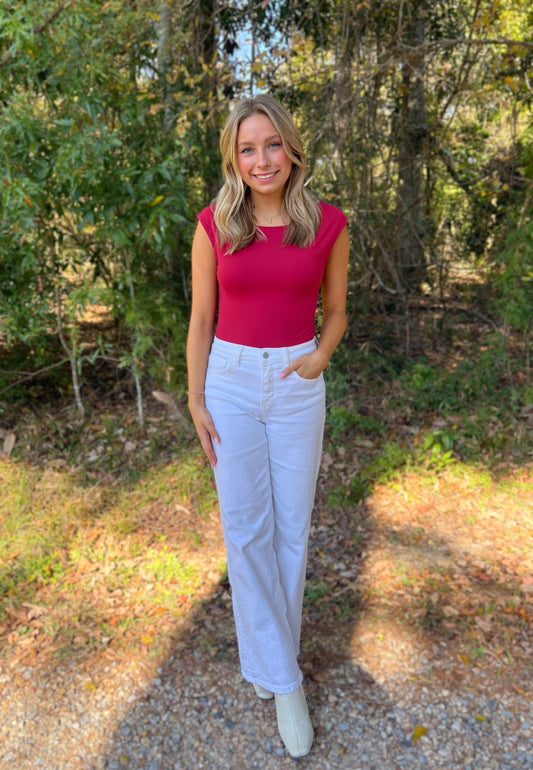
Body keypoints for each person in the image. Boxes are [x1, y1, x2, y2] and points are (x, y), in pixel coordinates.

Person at [187, 93, 349, 758]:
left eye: (271, 145)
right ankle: (284, 681)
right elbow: (201, 318)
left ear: (291, 151)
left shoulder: (328, 224)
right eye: (247, 149)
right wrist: (196, 400)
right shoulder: (214, 223)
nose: (261, 160)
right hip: (227, 380)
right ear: (234, 158)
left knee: (290, 530)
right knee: (245, 529)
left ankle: (270, 667)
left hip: (294, 383)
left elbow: (336, 311)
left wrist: (316, 360)